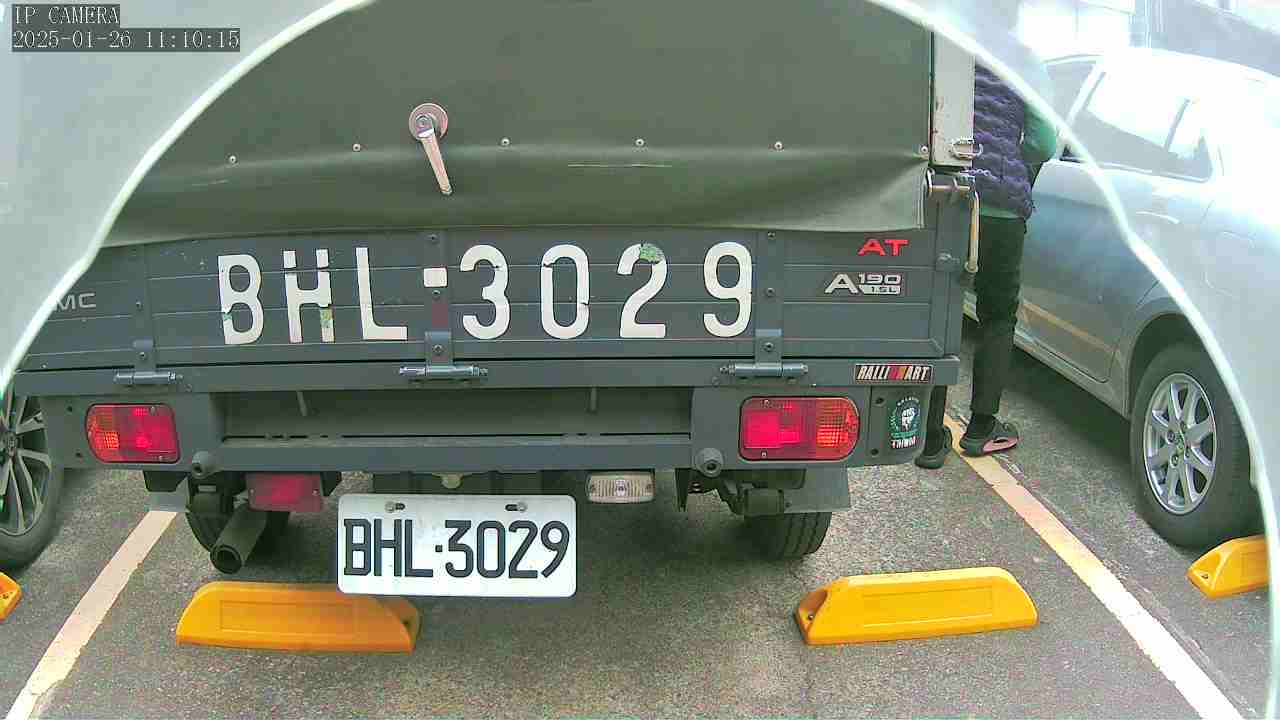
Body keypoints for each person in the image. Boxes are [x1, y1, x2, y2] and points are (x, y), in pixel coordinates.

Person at [915, 57, 1057, 469]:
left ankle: (929, 437)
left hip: (948, 197)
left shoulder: (947, 50)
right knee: (997, 315)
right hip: (1001, 205)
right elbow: (1044, 143)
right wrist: (1007, 153)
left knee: (941, 308)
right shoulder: (1023, 61)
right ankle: (981, 428)